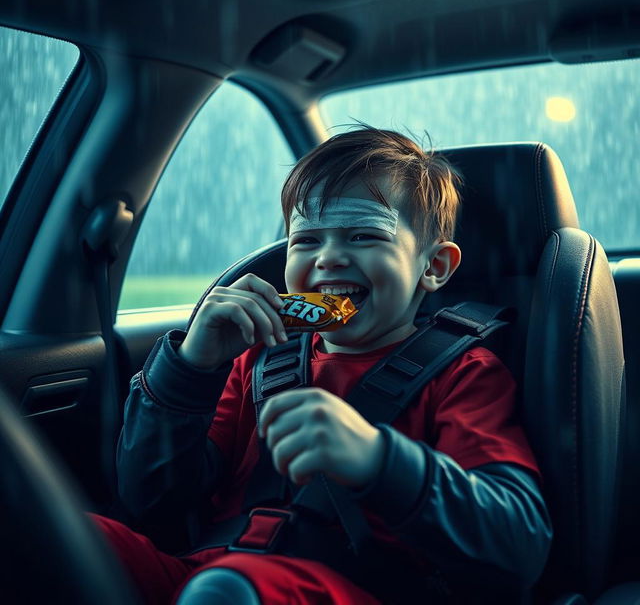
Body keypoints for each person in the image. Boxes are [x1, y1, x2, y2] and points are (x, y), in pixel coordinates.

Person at [95, 126, 552, 605]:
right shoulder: (257, 357)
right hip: (206, 571)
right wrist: (190, 368)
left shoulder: (463, 373)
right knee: (48, 528)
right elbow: (152, 501)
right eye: (307, 240)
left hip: (349, 589)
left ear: (433, 267)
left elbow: (518, 540)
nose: (330, 257)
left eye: (363, 234)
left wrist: (379, 459)